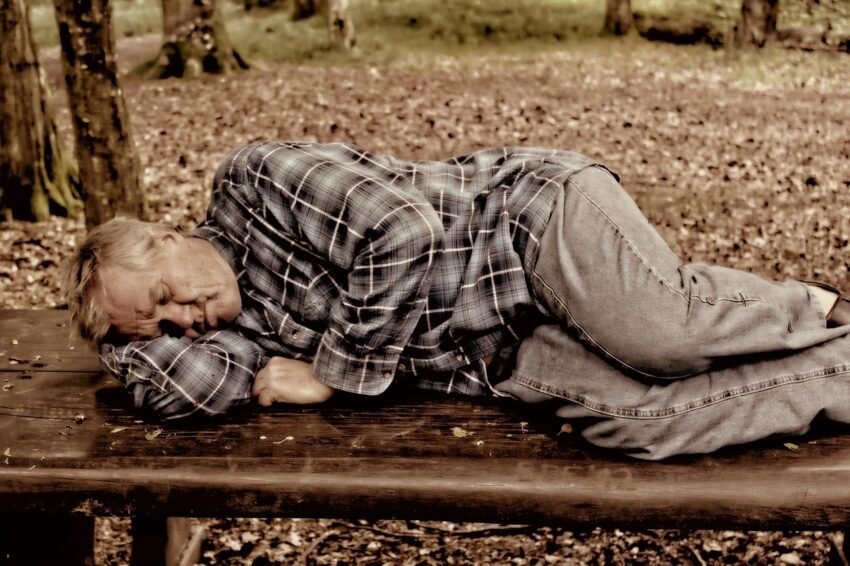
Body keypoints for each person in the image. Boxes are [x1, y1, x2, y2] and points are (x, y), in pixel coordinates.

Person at [62, 141, 850, 460]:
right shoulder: (231, 334)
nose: (184, 320)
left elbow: (403, 232)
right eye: (162, 324)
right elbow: (195, 385)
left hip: (524, 224)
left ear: (167, 235)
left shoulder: (253, 183)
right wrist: (121, 335)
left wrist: (331, 373)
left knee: (661, 336)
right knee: (643, 423)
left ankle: (816, 309)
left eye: (168, 297)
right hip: (500, 347)